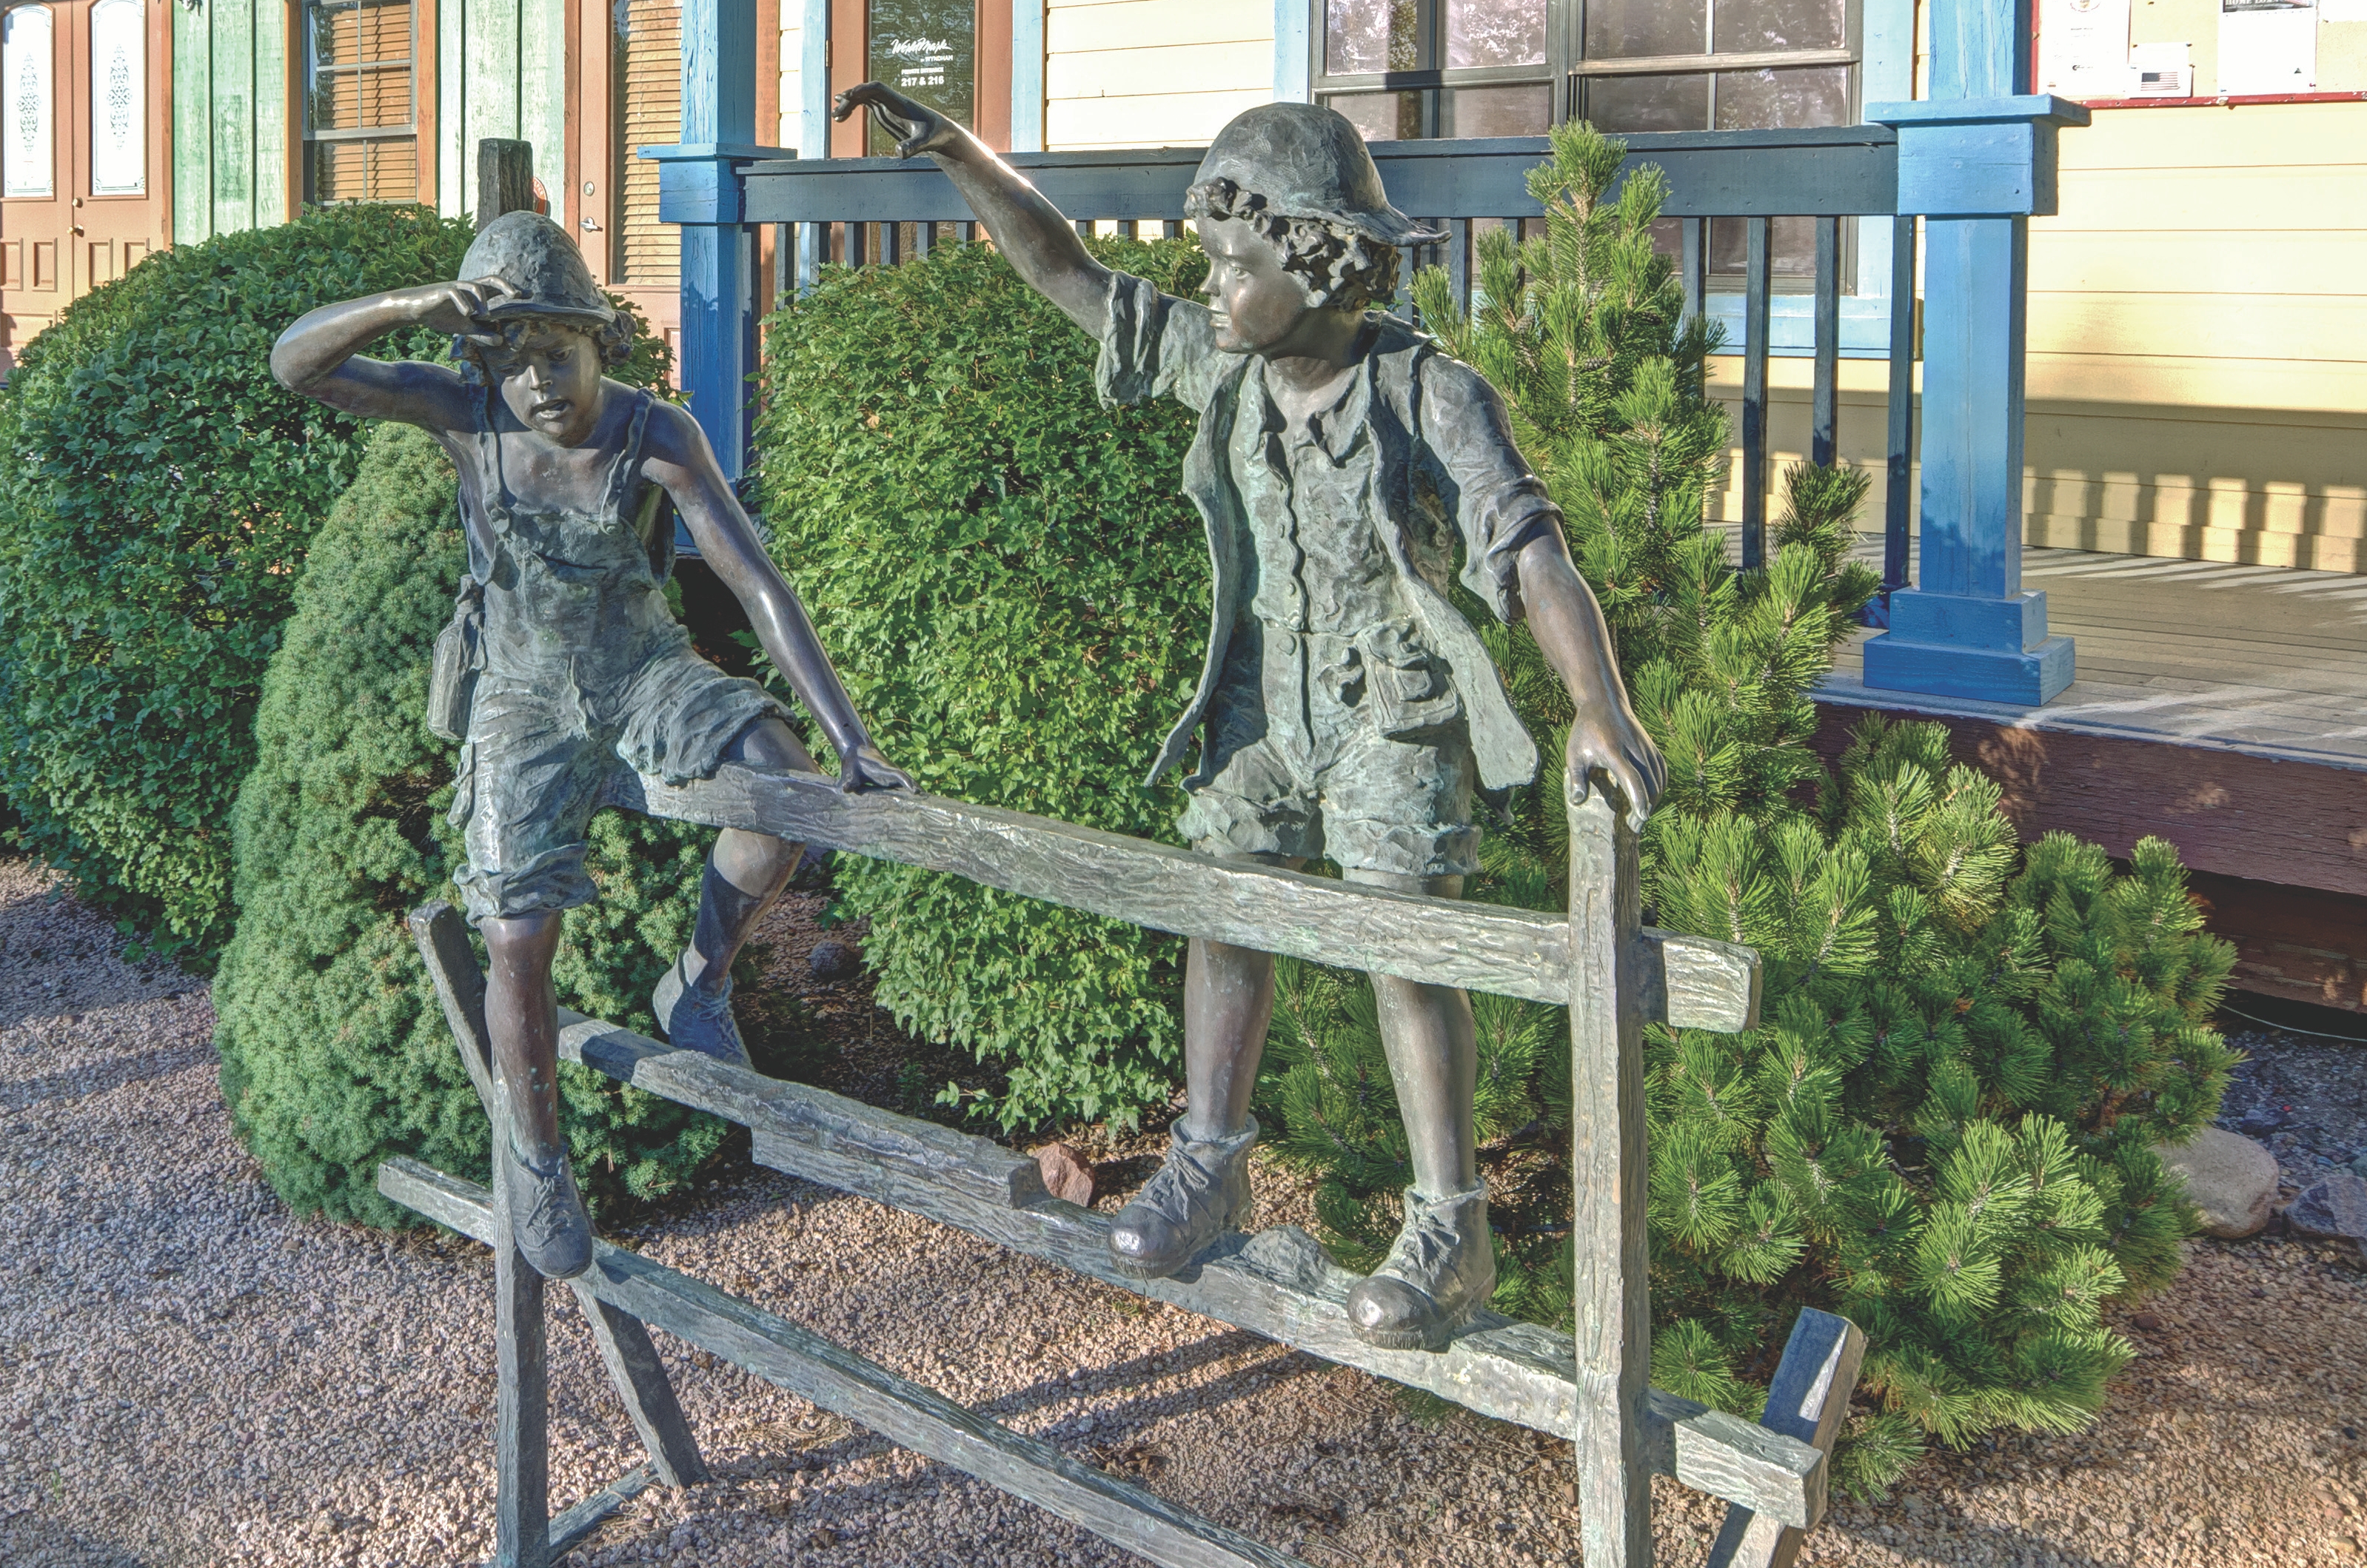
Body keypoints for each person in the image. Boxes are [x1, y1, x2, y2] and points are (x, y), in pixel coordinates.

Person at [835, 85, 1664, 1351]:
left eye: (1233, 266)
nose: (1211, 289)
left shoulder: (1426, 392)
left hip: (1392, 706)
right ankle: (1210, 1158)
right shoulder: (1225, 366)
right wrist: (960, 154)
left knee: (1403, 945)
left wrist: (1598, 709)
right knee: (1225, 896)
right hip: (1264, 702)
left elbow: (1528, 550)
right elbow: (1070, 274)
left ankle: (1450, 1224)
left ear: (1317, 260)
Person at [271, 212, 905, 1280]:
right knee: (517, 931)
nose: (538, 389)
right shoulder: (460, 412)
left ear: (597, 343)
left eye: (555, 358)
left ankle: (697, 981)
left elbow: (753, 582)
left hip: (643, 671)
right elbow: (296, 365)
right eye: (513, 367)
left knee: (779, 791)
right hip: (520, 692)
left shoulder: (656, 434)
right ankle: (536, 1152)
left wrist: (850, 736)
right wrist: (411, 307)